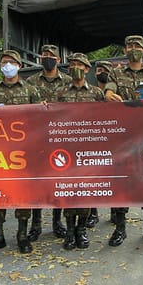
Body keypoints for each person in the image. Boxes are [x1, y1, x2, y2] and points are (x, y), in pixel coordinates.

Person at [103, 35, 143, 246]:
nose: (133, 48)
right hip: (123, 138)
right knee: (123, 181)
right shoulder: (116, 72)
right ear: (125, 50)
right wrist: (109, 93)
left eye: (137, 45)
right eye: (129, 45)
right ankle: (120, 228)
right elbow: (108, 89)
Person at [0, 50, 42, 255]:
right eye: (4, 62)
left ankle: (22, 235)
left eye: (11, 62)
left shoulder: (30, 90)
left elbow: (39, 121)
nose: (7, 66)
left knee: (23, 195)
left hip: (23, 153)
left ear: (19, 66)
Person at [56, 53, 105, 250]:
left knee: (85, 191)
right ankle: (69, 230)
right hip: (66, 150)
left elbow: (105, 121)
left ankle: (81, 229)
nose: (75, 67)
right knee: (69, 190)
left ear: (87, 69)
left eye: (80, 65)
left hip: (88, 150)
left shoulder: (96, 93)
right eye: (72, 64)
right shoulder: (61, 93)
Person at [26, 44, 72, 241]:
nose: (48, 58)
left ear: (58, 60)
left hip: (61, 139)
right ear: (40, 59)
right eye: (44, 55)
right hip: (37, 139)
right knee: (37, 183)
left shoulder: (69, 81)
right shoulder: (30, 82)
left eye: (51, 55)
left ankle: (57, 222)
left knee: (59, 182)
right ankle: (35, 224)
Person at [90, 60, 115, 227]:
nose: (102, 72)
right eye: (99, 70)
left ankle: (115, 213)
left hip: (114, 140)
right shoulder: (90, 91)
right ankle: (92, 213)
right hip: (93, 140)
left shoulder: (115, 92)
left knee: (115, 177)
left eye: (106, 70)